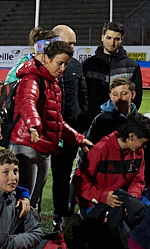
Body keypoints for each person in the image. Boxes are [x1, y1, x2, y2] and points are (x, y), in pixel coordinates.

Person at [7, 39, 91, 212]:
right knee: (23, 201)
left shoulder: (53, 83)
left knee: (33, 202)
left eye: (66, 64)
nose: (63, 69)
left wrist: (77, 138)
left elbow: (56, 120)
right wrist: (34, 125)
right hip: (27, 145)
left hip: (43, 147)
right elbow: (27, 102)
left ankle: (31, 229)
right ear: (46, 59)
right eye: (59, 63)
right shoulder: (32, 78)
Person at [75, 116, 150, 249]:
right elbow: (80, 182)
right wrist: (103, 197)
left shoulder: (138, 151)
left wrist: (130, 201)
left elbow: (138, 181)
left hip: (123, 199)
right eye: (143, 142)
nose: (144, 147)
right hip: (97, 202)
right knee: (114, 215)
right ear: (131, 136)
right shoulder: (101, 149)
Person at [49, 25, 88, 224]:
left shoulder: (76, 66)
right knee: (39, 175)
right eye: (68, 43)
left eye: (74, 43)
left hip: (69, 131)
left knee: (63, 174)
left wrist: (79, 122)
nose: (72, 47)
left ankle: (61, 215)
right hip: (47, 130)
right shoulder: (42, 65)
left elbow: (83, 96)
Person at [82, 21, 143, 113]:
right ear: (102, 38)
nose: (112, 43)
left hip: (121, 117)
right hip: (93, 116)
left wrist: (127, 115)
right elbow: (83, 93)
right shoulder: (88, 64)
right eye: (109, 38)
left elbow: (137, 96)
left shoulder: (131, 65)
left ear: (122, 39)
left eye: (116, 39)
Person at [84, 77, 140, 144]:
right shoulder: (101, 120)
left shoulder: (139, 120)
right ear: (110, 96)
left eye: (124, 94)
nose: (119, 98)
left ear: (133, 95)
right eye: (115, 94)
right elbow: (90, 145)